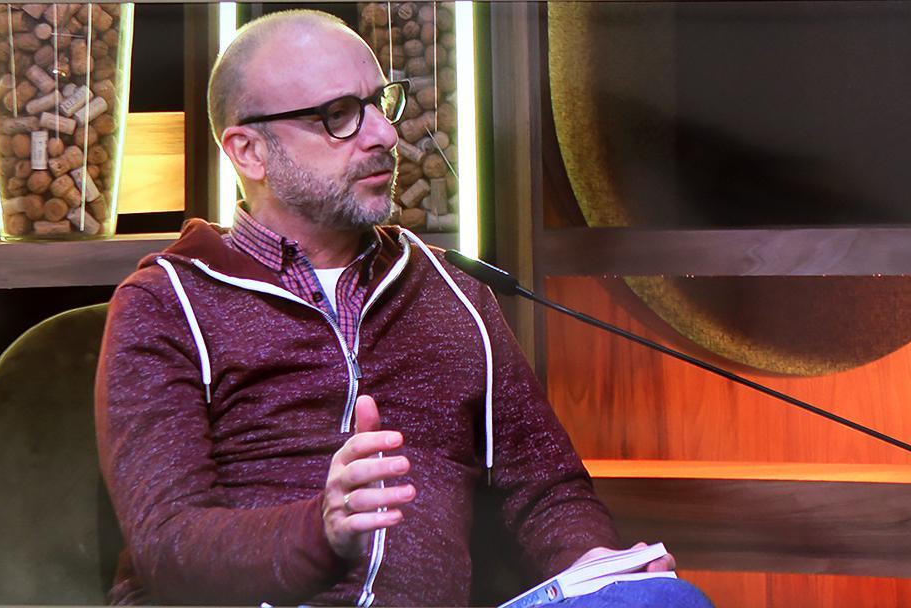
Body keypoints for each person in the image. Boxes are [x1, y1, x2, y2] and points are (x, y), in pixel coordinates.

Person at [95, 9, 712, 607]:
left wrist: (596, 566)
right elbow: (166, 545)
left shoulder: (454, 292)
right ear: (248, 151)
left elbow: (545, 489)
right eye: (339, 116)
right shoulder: (166, 302)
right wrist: (321, 529)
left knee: (660, 602)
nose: (385, 136)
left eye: (379, 103)